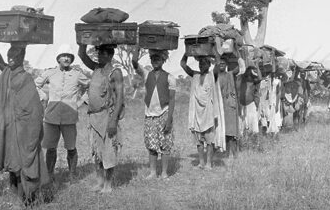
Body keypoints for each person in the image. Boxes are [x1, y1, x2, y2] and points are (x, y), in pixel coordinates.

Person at [0, 41, 50, 203]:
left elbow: (33, 107)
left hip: (23, 127)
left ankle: (27, 198)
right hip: (8, 125)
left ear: (22, 58)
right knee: (11, 159)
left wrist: (29, 128)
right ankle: (16, 196)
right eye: (9, 56)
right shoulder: (7, 72)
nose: (11, 59)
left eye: (15, 56)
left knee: (23, 160)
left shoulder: (26, 78)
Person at [34, 45, 90, 181]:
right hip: (51, 117)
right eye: (63, 56)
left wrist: (82, 102)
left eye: (68, 56)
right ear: (58, 59)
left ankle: (72, 174)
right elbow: (35, 84)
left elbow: (91, 86)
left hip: (69, 117)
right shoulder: (50, 73)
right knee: (51, 148)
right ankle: (49, 174)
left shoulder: (77, 74)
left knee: (71, 147)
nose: (66, 58)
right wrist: (44, 97)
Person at [78, 43, 125, 193]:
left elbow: (119, 99)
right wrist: (82, 44)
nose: (99, 56)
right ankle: (99, 182)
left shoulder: (115, 73)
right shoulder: (97, 68)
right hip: (94, 116)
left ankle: (108, 185)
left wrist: (113, 121)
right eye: (98, 53)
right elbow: (82, 56)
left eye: (103, 53)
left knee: (108, 151)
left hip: (107, 116)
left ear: (110, 55)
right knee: (97, 151)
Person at [132, 48, 176, 179]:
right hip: (150, 115)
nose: (155, 61)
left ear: (163, 60)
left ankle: (164, 173)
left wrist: (169, 120)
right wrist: (137, 47)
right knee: (151, 145)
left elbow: (172, 99)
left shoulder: (170, 77)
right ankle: (152, 172)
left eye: (158, 58)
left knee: (165, 145)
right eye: (153, 58)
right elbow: (134, 62)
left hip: (164, 113)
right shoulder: (146, 74)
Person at [180, 53, 225, 170]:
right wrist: (186, 52)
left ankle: (208, 163)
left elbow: (218, 63)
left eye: (204, 63)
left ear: (209, 65)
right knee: (198, 140)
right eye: (200, 63)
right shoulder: (195, 75)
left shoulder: (212, 75)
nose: (201, 65)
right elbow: (183, 64)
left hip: (208, 113)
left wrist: (215, 50)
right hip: (196, 112)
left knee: (209, 140)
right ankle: (201, 162)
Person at [216, 58, 241, 155]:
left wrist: (238, 56)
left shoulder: (230, 74)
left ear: (226, 65)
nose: (221, 65)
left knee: (231, 130)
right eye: (220, 63)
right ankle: (222, 151)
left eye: (223, 63)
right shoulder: (215, 76)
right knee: (220, 129)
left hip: (228, 105)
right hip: (218, 105)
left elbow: (238, 69)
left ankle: (232, 153)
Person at [236, 65, 262, 135]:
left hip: (250, 104)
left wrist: (257, 66)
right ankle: (243, 139)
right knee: (242, 124)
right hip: (241, 104)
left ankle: (253, 139)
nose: (249, 73)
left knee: (252, 125)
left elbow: (260, 78)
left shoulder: (254, 81)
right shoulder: (240, 78)